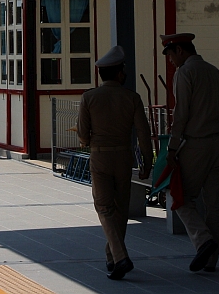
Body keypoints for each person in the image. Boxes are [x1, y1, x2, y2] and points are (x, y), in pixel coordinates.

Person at [78, 45, 153, 280]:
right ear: (119, 73)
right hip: (123, 156)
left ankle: (119, 257)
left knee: (104, 207)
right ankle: (112, 256)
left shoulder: (89, 97)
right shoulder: (132, 98)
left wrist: (90, 139)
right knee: (120, 209)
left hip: (100, 156)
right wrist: (147, 163)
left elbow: (82, 134)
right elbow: (143, 133)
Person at [161, 33, 219, 273]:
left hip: (196, 144)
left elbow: (180, 115)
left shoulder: (184, 73)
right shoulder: (215, 72)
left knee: (179, 197)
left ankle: (203, 241)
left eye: (170, 55)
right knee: (214, 204)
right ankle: (212, 261)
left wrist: (172, 148)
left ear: (179, 51)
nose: (170, 61)